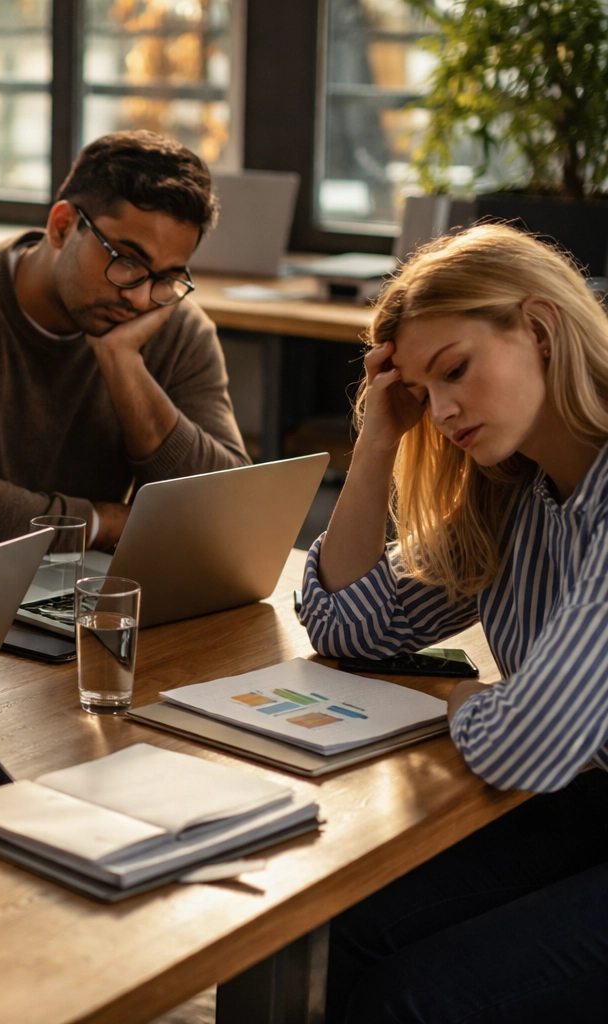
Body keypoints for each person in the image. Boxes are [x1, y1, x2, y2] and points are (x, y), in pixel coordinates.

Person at [297, 224, 608, 1022]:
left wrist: (466, 706)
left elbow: (530, 743)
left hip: (574, 790)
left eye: (455, 371)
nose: (442, 412)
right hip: (590, 800)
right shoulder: (517, 489)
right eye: (422, 393)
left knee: (415, 999)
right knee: (350, 923)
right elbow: (350, 626)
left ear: (539, 328)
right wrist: (375, 441)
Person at [0, 130, 248, 554]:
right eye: (126, 260)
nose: (140, 297)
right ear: (62, 226)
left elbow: (226, 506)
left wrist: (123, 363)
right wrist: (104, 523)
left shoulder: (173, 323)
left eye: (168, 275)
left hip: (73, 579)